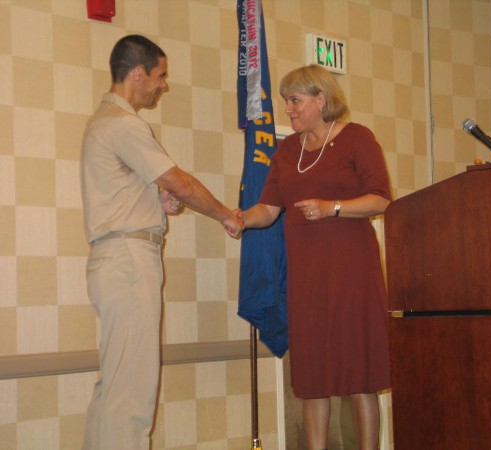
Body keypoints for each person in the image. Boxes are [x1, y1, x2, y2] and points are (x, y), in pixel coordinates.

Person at [79, 34, 242, 450]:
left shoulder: (104, 122)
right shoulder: (124, 124)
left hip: (116, 259)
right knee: (131, 394)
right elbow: (182, 183)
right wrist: (226, 214)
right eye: (160, 75)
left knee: (115, 388)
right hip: (129, 260)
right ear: (138, 73)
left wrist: (157, 196)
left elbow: (155, 187)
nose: (163, 84)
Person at [239, 64, 391, 450]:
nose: (288, 109)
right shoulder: (287, 151)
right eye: (286, 101)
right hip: (307, 279)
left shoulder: (358, 138)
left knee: (360, 375)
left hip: (352, 274)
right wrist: (239, 218)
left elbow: (381, 199)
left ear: (320, 101)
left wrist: (332, 208)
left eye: (295, 101)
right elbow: (269, 209)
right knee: (312, 377)